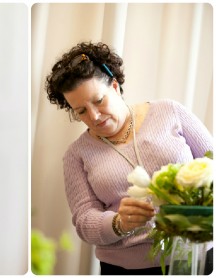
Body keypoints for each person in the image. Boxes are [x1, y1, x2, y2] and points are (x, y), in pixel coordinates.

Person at [44, 42, 213, 275]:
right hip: (127, 268)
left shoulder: (169, 112)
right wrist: (118, 223)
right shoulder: (76, 155)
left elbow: (212, 161)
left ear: (114, 86)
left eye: (98, 100)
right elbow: (84, 221)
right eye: (81, 111)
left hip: (196, 257)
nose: (93, 116)